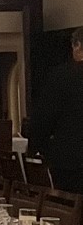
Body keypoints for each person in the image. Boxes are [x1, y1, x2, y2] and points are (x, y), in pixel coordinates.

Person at [28, 27, 83, 193]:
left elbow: (44, 117)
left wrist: (41, 147)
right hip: (69, 155)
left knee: (70, 209)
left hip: (69, 158)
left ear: (78, 45)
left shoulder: (62, 76)